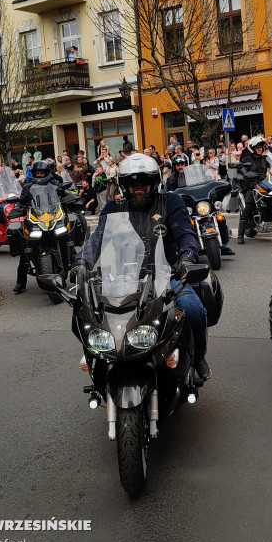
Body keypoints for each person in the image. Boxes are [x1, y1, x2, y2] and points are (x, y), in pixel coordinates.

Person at [74, 153, 211, 380]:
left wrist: (187, 259)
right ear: (124, 185)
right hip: (122, 279)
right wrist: (81, 262)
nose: (138, 187)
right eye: (132, 182)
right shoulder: (113, 208)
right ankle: (99, 367)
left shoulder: (171, 202)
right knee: (88, 314)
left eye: (144, 182)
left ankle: (197, 359)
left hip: (166, 275)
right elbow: (97, 239)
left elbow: (186, 234)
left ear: (154, 183)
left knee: (194, 309)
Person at [11, 160, 64, 294]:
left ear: (47, 173)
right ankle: (20, 282)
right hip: (35, 219)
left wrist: (71, 198)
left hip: (52, 218)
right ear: (33, 174)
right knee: (26, 251)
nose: (40, 175)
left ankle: (73, 264)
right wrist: (17, 208)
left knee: (65, 237)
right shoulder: (28, 187)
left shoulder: (55, 184)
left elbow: (63, 196)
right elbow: (21, 202)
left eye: (42, 173)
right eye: (37, 173)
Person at [237, 137, 269, 245]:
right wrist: (246, 173)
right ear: (252, 148)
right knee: (248, 207)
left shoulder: (265, 159)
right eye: (257, 148)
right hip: (252, 186)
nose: (260, 149)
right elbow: (242, 169)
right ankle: (240, 235)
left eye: (261, 147)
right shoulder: (247, 159)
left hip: (264, 185)